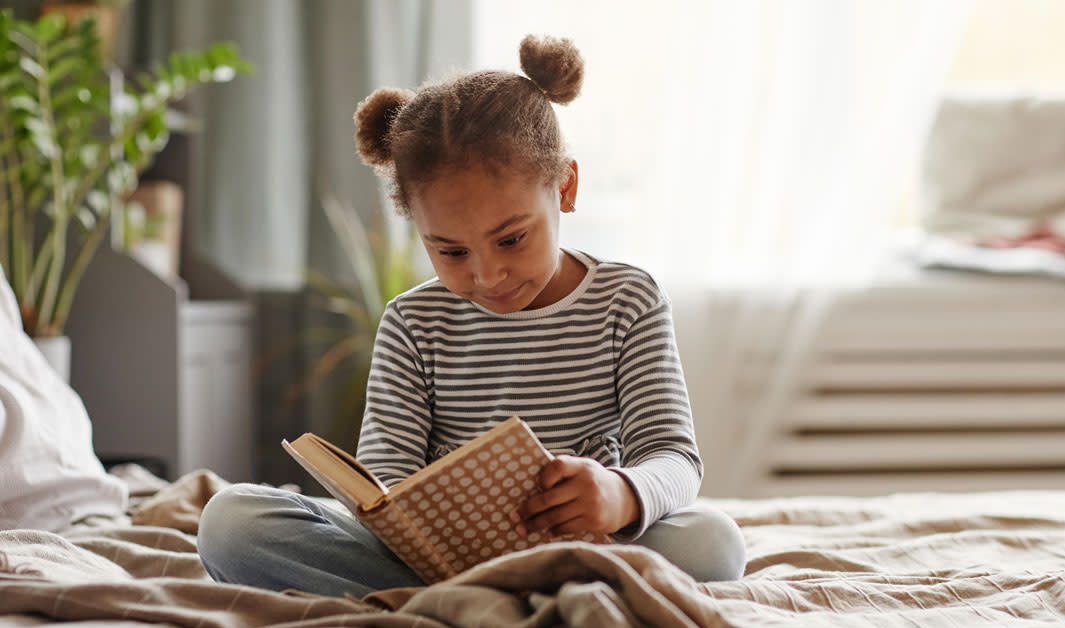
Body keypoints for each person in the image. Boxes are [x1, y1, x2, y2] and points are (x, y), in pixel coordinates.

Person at [198, 35, 746, 598]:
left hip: (585, 544)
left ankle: (456, 600)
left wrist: (620, 494)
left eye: (511, 239)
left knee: (711, 543)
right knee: (230, 521)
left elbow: (673, 456)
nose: (487, 276)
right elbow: (385, 480)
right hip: (434, 560)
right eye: (451, 252)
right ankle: (509, 595)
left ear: (565, 187)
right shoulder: (412, 323)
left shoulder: (627, 301)